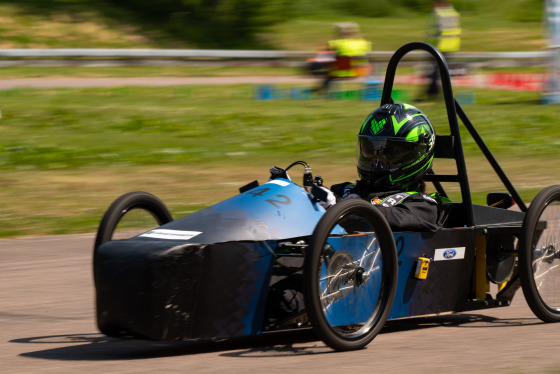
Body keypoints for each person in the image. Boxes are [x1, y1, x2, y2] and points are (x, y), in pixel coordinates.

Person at [329, 102, 450, 232]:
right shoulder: (345, 191)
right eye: (370, 150)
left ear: (417, 154)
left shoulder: (422, 206)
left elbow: (388, 218)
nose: (377, 162)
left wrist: (340, 207)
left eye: (391, 153)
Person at [314, 22, 372, 94]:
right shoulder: (364, 43)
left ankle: (324, 92)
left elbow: (323, 55)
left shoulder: (335, 43)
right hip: (362, 72)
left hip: (340, 73)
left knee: (327, 69)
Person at [426, 0, 461, 97]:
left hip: (438, 47)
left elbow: (434, 33)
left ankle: (433, 92)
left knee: (435, 72)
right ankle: (437, 93)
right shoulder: (453, 13)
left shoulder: (436, 14)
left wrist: (428, 47)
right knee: (441, 72)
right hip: (451, 46)